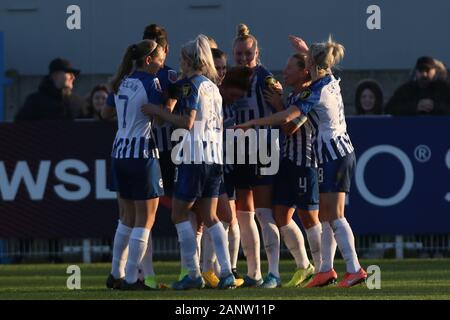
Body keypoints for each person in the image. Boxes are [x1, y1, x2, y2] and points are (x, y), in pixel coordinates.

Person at [238, 36, 367, 288]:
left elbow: (288, 116)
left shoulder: (314, 90)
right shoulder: (329, 79)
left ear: (312, 66)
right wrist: (306, 50)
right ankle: (326, 270)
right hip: (337, 152)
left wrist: (252, 123)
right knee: (329, 216)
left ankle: (354, 269)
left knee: (335, 216)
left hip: (333, 154)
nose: (304, 66)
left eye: (307, 62)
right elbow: (322, 63)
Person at [141, 35, 236, 290]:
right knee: (210, 216)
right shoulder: (212, 86)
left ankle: (192, 273)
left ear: (190, 60)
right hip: (214, 157)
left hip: (195, 157)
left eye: (182, 59)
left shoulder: (194, 85)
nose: (179, 63)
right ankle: (226, 272)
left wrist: (156, 110)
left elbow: (188, 122)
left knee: (179, 214)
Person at [102, 39, 166, 290]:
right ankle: (131, 278)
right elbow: (158, 118)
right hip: (141, 153)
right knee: (145, 220)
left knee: (126, 218)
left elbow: (105, 113)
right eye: (160, 59)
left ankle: (115, 273)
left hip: (119, 151)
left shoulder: (120, 82)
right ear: (149, 60)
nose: (162, 64)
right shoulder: (151, 81)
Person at [231, 23, 281, 287]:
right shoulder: (229, 78)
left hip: (263, 145)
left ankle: (274, 272)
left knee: (263, 213)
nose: (243, 59)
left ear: (257, 52)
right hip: (237, 146)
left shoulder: (265, 77)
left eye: (247, 54)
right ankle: (254, 272)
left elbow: (282, 109)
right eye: (239, 54)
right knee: (243, 214)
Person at [200, 66, 252, 288]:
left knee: (225, 219)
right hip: (207, 164)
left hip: (223, 166)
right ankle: (207, 270)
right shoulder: (211, 99)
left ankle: (221, 270)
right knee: (211, 218)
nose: (234, 100)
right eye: (233, 95)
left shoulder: (226, 106)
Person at [15, 58, 84, 120]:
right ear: (55, 74)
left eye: (73, 74)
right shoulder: (35, 102)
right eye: (69, 73)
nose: (73, 77)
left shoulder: (76, 102)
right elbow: (20, 127)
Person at [385, 56, 450, 115]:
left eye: (428, 70)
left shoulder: (444, 88)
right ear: (416, 72)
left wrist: (434, 106)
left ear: (434, 71)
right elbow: (389, 109)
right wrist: (416, 106)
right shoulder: (406, 89)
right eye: (421, 70)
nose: (424, 74)